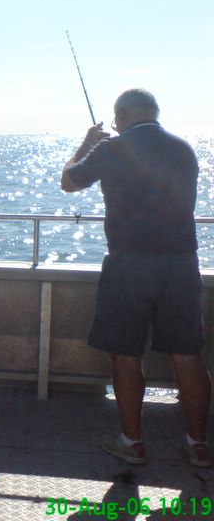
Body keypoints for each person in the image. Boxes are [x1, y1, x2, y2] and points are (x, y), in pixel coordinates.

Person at [61, 88, 211, 467]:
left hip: (129, 265)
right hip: (180, 264)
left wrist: (87, 142)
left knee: (126, 357)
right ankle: (198, 444)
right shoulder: (184, 149)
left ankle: (133, 443)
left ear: (123, 113)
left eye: (117, 118)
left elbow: (68, 181)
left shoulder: (111, 149)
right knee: (188, 357)